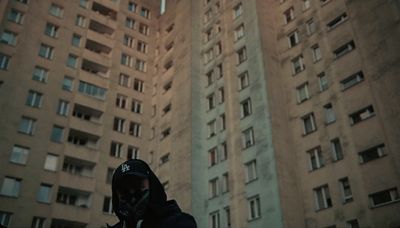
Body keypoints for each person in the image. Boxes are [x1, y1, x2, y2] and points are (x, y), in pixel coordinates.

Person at [108, 159, 197, 228]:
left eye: (137, 184)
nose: (131, 192)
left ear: (152, 185)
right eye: (123, 189)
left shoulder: (179, 223)